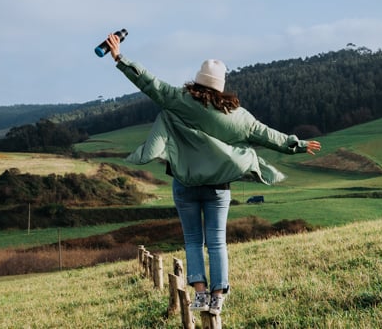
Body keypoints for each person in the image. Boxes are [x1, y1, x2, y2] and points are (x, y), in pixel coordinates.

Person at [104, 33, 321, 315]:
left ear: (197, 80)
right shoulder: (239, 117)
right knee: (217, 241)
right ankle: (218, 296)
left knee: (193, 240)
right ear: (221, 87)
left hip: (185, 184)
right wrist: (299, 145)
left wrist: (120, 57)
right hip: (218, 188)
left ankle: (200, 294)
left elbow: (148, 81)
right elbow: (270, 136)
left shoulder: (179, 100)